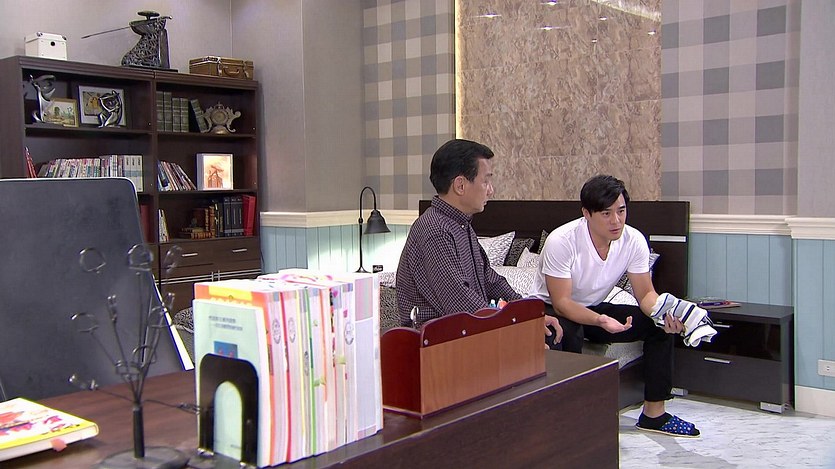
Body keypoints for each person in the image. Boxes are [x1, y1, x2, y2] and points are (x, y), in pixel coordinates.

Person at [529, 174, 701, 437]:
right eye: (606, 214)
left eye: (621, 211)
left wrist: (664, 313)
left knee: (657, 327)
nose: (616, 221)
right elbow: (562, 303)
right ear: (586, 213)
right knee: (568, 331)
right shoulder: (562, 241)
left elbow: (646, 294)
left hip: (595, 306)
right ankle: (564, 420)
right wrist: (599, 321)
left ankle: (654, 414)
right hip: (551, 308)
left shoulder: (633, 240)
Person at [396, 138, 562, 344]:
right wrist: (516, 328)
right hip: (440, 342)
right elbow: (459, 301)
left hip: (467, 331)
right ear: (460, 185)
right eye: (486, 181)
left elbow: (490, 280)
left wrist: (528, 314)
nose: (490, 190)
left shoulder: (461, 224)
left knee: (555, 333)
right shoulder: (435, 230)